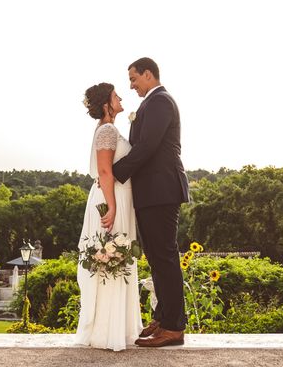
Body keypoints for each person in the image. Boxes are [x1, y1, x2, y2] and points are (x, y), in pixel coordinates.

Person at [112, 57, 190, 348]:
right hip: (152, 192)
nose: (131, 86)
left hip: (162, 190)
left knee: (165, 257)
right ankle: (163, 317)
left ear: (148, 74)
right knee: (157, 258)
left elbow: (148, 146)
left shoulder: (160, 101)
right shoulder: (152, 103)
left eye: (133, 79)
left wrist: (115, 174)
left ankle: (174, 327)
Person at [74, 82, 143, 351]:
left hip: (115, 196)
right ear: (106, 104)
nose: (121, 98)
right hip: (110, 198)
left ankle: (118, 326)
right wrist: (112, 207)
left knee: (115, 259)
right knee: (111, 257)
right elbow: (105, 172)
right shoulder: (106, 129)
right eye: (116, 95)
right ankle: (106, 330)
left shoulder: (108, 129)